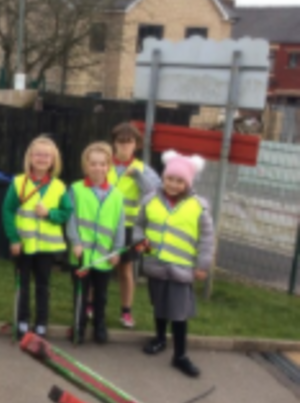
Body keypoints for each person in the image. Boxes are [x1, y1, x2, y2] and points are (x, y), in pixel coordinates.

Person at [134, 150, 214, 378]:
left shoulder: (199, 207)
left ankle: (180, 355)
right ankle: (159, 339)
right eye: (170, 178)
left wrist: (202, 265)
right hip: (155, 265)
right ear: (163, 177)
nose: (173, 184)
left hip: (181, 269)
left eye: (180, 181)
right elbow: (139, 226)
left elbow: (207, 238)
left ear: (187, 183)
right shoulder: (150, 200)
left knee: (178, 313)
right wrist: (144, 248)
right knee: (159, 305)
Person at [2, 136, 73, 339]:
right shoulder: (18, 182)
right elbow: (7, 210)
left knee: (43, 285)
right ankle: (22, 320)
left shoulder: (59, 186)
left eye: (47, 155)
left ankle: (42, 323)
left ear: (53, 160)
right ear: (30, 157)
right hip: (23, 245)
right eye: (38, 154)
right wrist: (13, 238)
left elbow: (67, 212)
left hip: (46, 248)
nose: (42, 158)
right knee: (22, 284)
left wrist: (50, 213)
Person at [103, 122, 161, 328]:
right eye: (120, 142)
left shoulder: (143, 170)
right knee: (98, 266)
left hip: (128, 227)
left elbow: (155, 193)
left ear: (136, 145)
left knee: (125, 270)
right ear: (114, 143)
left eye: (129, 143)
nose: (124, 147)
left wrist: (137, 176)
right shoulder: (104, 164)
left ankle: (126, 311)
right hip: (104, 225)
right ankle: (91, 305)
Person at [67, 142, 125, 344]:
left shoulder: (117, 195)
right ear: (86, 166)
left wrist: (117, 249)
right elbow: (71, 218)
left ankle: (99, 325)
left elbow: (119, 225)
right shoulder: (76, 189)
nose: (98, 168)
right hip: (81, 253)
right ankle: (78, 326)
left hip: (104, 255)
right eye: (93, 164)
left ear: (108, 166)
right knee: (81, 293)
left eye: (102, 164)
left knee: (101, 295)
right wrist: (75, 241)